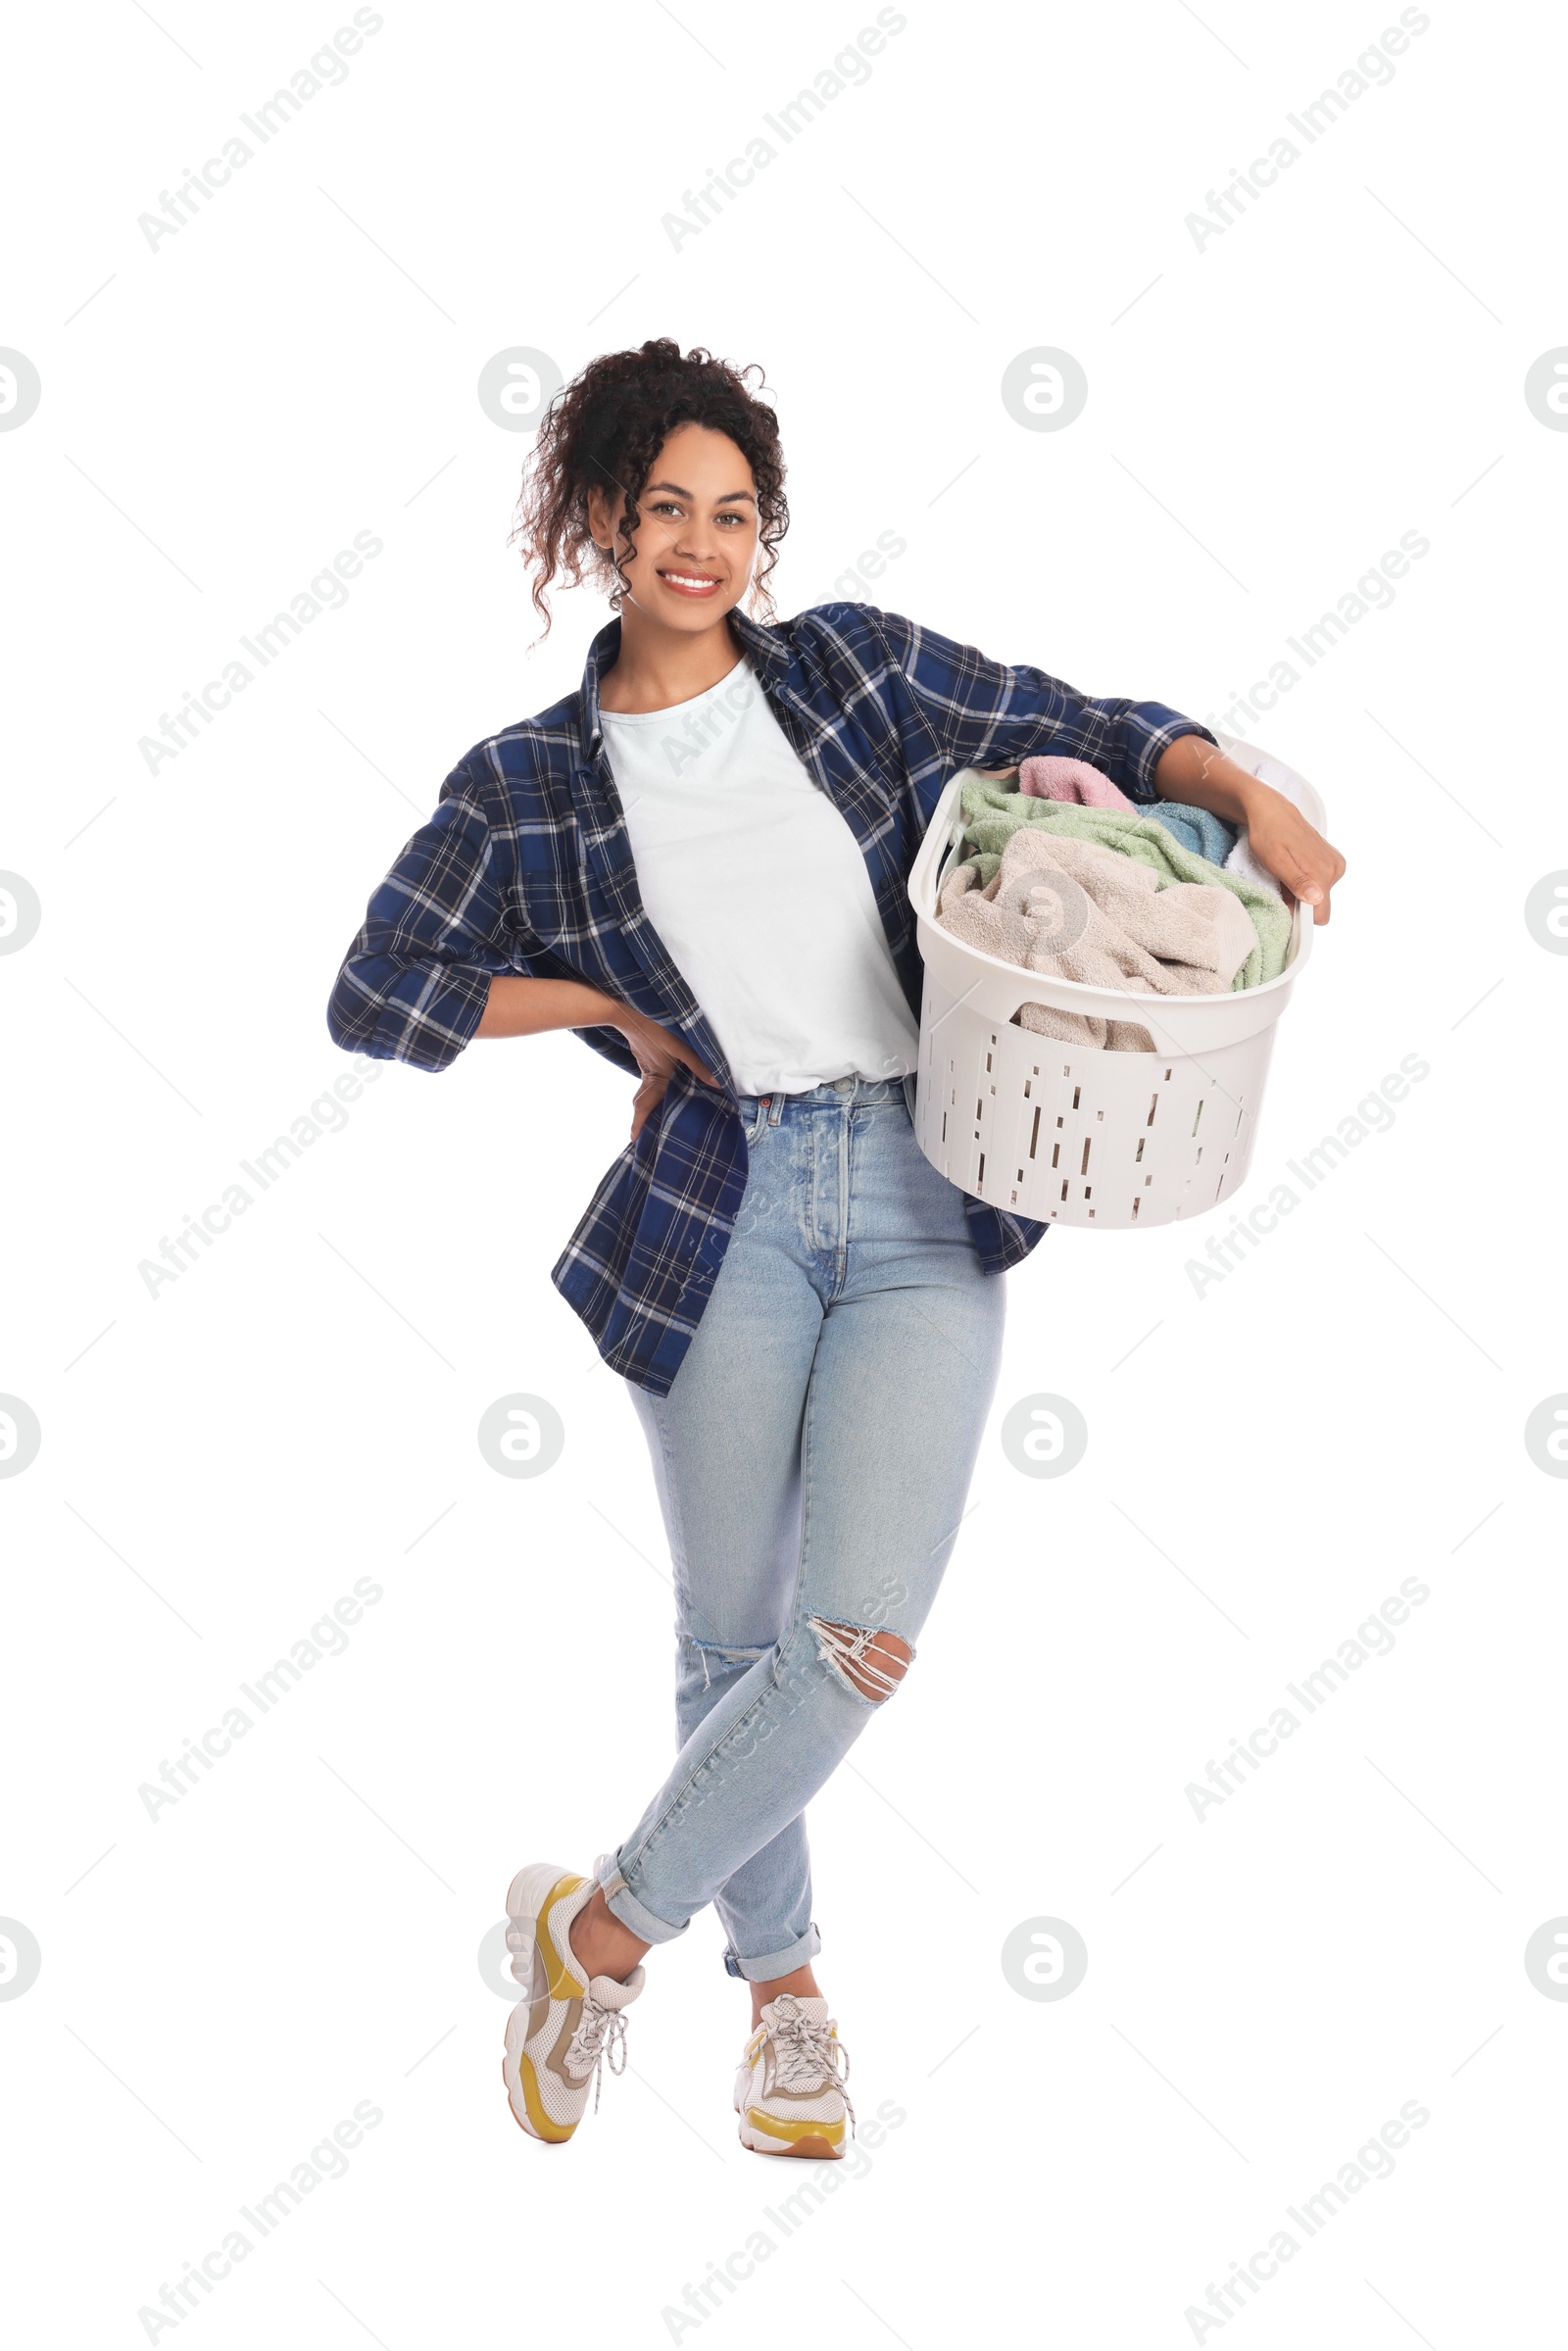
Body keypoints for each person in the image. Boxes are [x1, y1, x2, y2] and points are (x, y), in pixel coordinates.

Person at [326, 338, 1345, 2160]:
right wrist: (624, 1022)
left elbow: (1081, 718)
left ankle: (598, 1931)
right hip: (718, 1206)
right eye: (665, 512)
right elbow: (379, 991)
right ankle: (788, 2006)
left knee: (854, 1635)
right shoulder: (528, 782)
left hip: (925, 1189)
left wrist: (1240, 790)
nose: (701, 548)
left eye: (733, 514)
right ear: (599, 521)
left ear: (764, 535)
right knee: (733, 1642)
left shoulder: (854, 669)